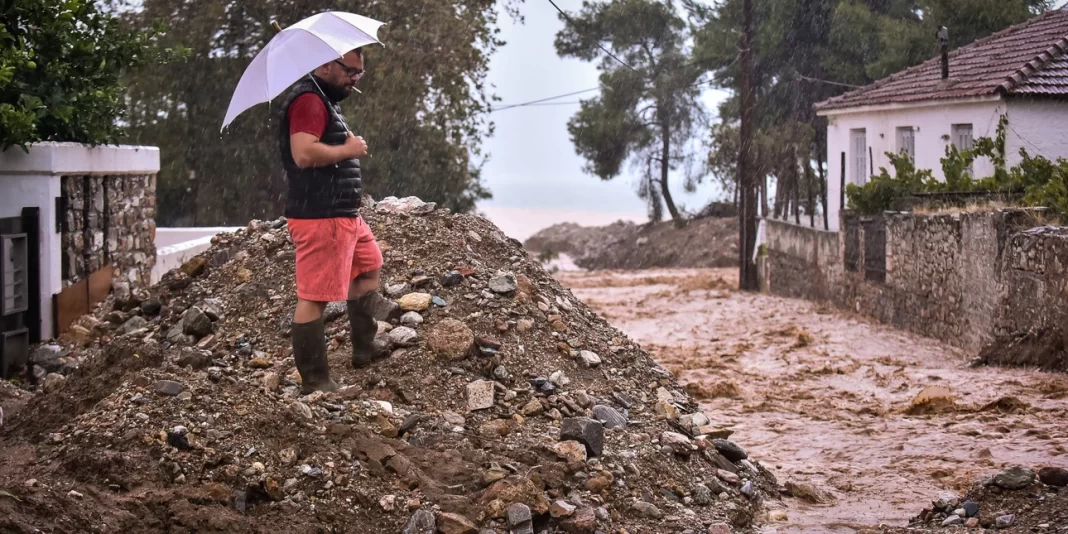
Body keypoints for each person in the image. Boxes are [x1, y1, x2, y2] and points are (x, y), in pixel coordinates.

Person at [278, 47, 385, 394]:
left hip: (343, 213)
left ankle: (365, 348)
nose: (355, 79)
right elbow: (304, 153)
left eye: (360, 74)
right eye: (351, 71)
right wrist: (348, 150)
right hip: (320, 216)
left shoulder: (324, 100)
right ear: (325, 65)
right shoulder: (308, 100)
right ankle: (316, 381)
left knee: (369, 267)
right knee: (314, 297)